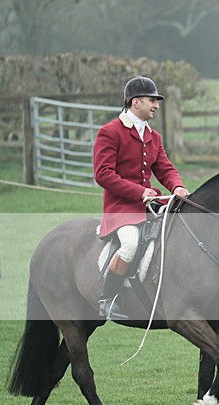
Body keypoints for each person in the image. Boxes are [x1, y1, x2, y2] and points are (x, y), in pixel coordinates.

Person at [93, 75, 189, 320]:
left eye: (157, 101)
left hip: (150, 205)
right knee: (131, 244)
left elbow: (165, 169)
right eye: (152, 100)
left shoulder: (153, 136)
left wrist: (177, 187)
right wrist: (138, 192)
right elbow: (103, 174)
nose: (156, 105)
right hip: (120, 209)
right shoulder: (110, 132)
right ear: (135, 102)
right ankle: (107, 299)